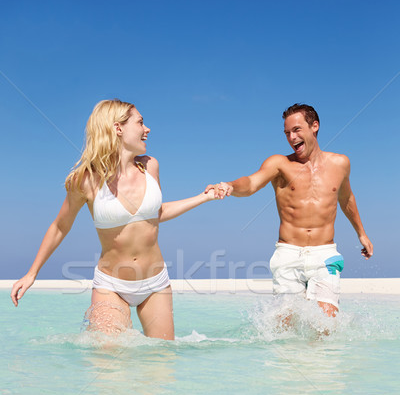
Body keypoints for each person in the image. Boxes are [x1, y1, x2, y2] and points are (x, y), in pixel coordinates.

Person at [11, 99, 217, 339]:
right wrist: (31, 273)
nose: (147, 129)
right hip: (111, 286)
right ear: (118, 128)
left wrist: (204, 197)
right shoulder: (85, 181)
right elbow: (60, 226)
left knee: (161, 363)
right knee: (109, 368)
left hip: (156, 284)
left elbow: (157, 213)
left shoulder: (150, 167)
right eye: (140, 122)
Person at [205, 103, 373, 317]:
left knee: (327, 325)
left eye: (296, 130)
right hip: (288, 253)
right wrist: (230, 185)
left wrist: (361, 233)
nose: (291, 138)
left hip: (325, 253)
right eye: (287, 133)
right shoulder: (279, 164)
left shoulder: (340, 163)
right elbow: (251, 183)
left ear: (314, 126)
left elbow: (346, 199)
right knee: (286, 327)